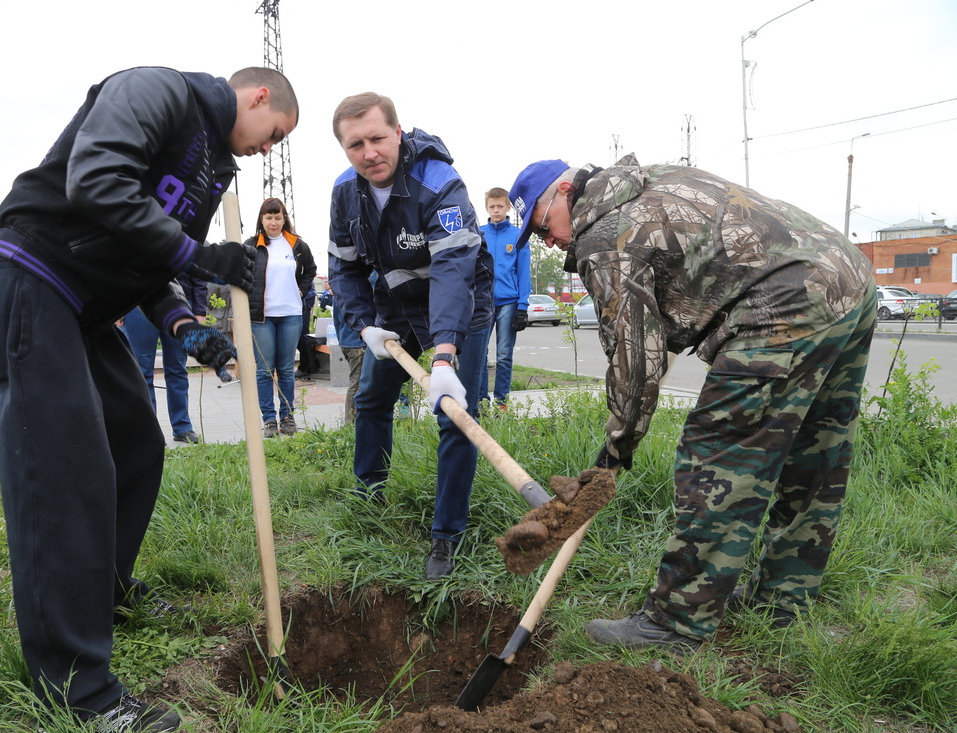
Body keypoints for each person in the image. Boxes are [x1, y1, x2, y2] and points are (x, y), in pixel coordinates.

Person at [0, 65, 298, 730]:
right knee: (65, 477)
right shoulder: (157, 91)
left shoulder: (209, 164)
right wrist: (202, 255)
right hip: (33, 284)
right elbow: (97, 184)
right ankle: (77, 690)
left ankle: (105, 591)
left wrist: (188, 327)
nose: (269, 149)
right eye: (275, 132)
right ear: (257, 96)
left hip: (83, 309)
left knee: (137, 445)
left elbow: (150, 259)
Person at [508, 156, 876, 654]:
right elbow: (677, 303)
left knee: (719, 458)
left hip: (783, 305)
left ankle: (677, 623)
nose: (547, 241)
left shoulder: (605, 236)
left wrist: (612, 457)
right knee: (816, 451)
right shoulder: (649, 183)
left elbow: (634, 363)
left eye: (542, 224)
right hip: (849, 279)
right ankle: (783, 601)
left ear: (567, 192)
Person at [328, 92, 493, 580]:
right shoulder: (344, 192)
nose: (369, 153)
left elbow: (452, 269)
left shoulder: (439, 182)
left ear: (397, 133)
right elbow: (344, 268)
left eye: (378, 138)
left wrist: (444, 353)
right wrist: (364, 325)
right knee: (372, 398)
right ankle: (368, 493)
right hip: (392, 308)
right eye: (355, 144)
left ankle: (447, 536)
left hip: (462, 303)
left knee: (456, 414)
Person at [243, 197, 317, 437]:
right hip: (261, 317)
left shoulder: (296, 245)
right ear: (261, 220)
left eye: (278, 217)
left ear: (285, 218)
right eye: (268, 217)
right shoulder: (251, 245)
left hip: (291, 315)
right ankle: (268, 420)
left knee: (286, 369)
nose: (273, 222)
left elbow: (311, 271)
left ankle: (287, 416)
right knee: (264, 370)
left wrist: (302, 289)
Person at [120, 273, 208, 444]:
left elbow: (197, 271)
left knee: (177, 368)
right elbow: (118, 268)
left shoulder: (185, 243)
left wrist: (199, 311)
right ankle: (148, 430)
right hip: (137, 304)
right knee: (141, 372)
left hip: (178, 302)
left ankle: (182, 427)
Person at [477, 187, 531, 407]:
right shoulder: (478, 233)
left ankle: (502, 402)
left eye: (500, 206)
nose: (496, 210)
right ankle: (481, 400)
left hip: (509, 303)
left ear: (508, 207)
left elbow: (523, 272)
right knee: (480, 354)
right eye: (492, 206)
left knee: (504, 355)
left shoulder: (518, 235)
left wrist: (522, 306)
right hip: (482, 302)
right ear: (487, 207)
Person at [326, 282, 366, 423]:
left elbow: (336, 320)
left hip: (347, 341)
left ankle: (352, 422)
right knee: (357, 384)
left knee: (356, 383)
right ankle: (350, 423)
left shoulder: (339, 289)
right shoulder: (359, 290)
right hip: (358, 342)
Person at [294, 283, 318, 379]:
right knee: (300, 335)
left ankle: (306, 367)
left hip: (304, 298)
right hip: (298, 298)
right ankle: (310, 366)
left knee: (302, 335)